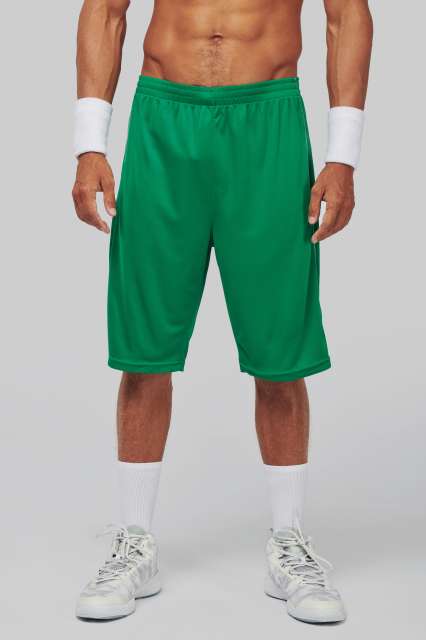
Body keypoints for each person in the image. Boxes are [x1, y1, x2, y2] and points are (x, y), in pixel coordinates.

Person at [72, 0, 373, 624]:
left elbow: (347, 14)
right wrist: (88, 144)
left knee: (280, 350)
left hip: (268, 120)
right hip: (164, 118)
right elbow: (104, 10)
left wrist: (343, 155)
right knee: (144, 349)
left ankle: (289, 542)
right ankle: (135, 543)